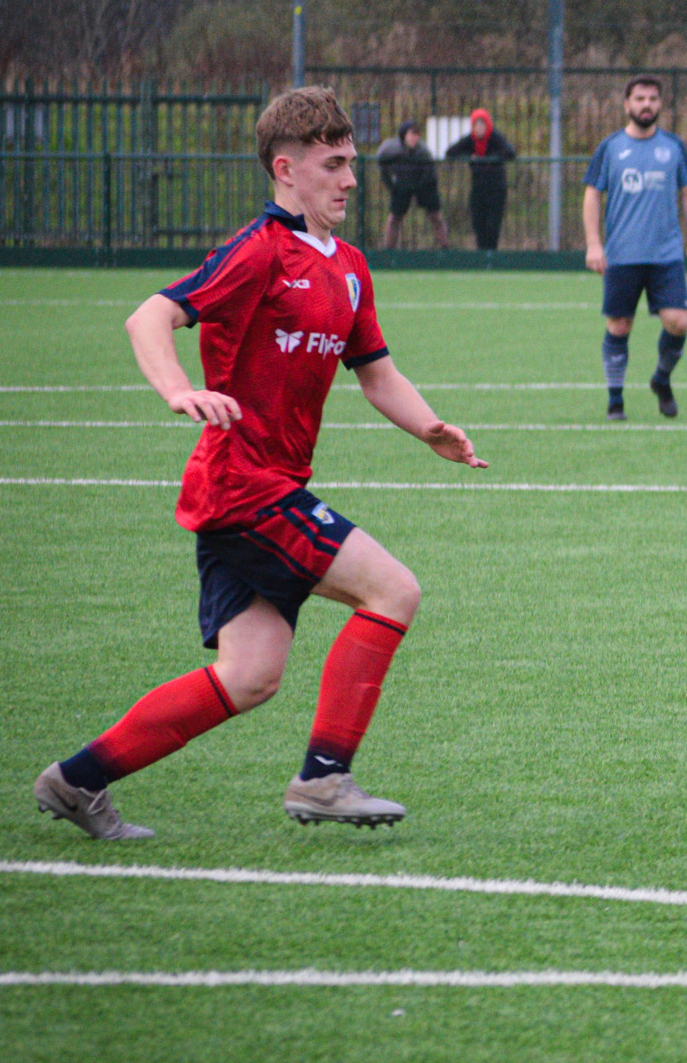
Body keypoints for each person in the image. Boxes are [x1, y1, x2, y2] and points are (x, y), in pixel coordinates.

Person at [32, 86, 487, 840]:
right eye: (334, 164)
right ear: (286, 168)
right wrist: (179, 389)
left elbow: (375, 370)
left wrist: (429, 427)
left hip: (256, 490)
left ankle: (77, 779)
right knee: (393, 590)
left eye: (350, 163)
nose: (349, 180)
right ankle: (324, 777)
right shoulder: (258, 250)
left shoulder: (348, 266)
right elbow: (150, 315)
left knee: (250, 677)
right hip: (245, 485)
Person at [584, 75, 687, 420]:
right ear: (627, 105)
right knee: (619, 326)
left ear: (660, 105)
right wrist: (594, 244)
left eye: (652, 99)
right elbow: (592, 193)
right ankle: (615, 401)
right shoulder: (610, 148)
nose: (646, 105)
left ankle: (661, 379)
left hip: (666, 256)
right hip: (622, 255)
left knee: (678, 322)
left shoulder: (673, 147)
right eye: (639, 99)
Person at [445, 106, 516, 251]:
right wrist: (470, 158)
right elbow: (450, 152)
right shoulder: (470, 140)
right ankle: (481, 254)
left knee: (493, 224)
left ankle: (491, 254)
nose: (479, 128)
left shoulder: (495, 137)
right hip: (478, 187)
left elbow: (510, 153)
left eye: (482, 124)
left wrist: (488, 160)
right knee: (478, 222)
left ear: (487, 125)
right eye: (476, 125)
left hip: (496, 187)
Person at [377, 121, 448, 250]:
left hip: (424, 186)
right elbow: (382, 165)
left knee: (436, 216)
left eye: (417, 134)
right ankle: (389, 250)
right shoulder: (391, 149)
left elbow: (430, 172)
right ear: (404, 135)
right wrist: (392, 185)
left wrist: (421, 186)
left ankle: (445, 248)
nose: (414, 138)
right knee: (394, 218)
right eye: (411, 134)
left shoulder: (423, 151)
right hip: (402, 186)